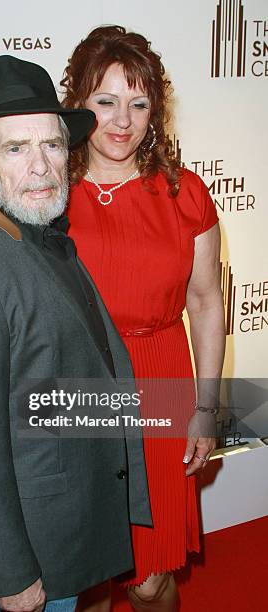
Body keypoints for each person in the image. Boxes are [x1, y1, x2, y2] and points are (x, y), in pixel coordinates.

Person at [0, 55, 153, 612]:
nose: (42, 166)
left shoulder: (34, 228)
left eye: (50, 144)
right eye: (15, 148)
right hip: (35, 547)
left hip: (70, 518)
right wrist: (12, 574)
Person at [61, 26, 226, 611]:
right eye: (104, 101)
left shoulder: (185, 193)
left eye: (138, 102)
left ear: (156, 108)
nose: (122, 120)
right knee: (87, 576)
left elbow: (207, 303)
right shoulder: (49, 194)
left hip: (158, 379)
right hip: (76, 384)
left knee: (149, 577)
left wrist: (207, 406)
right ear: (77, 103)